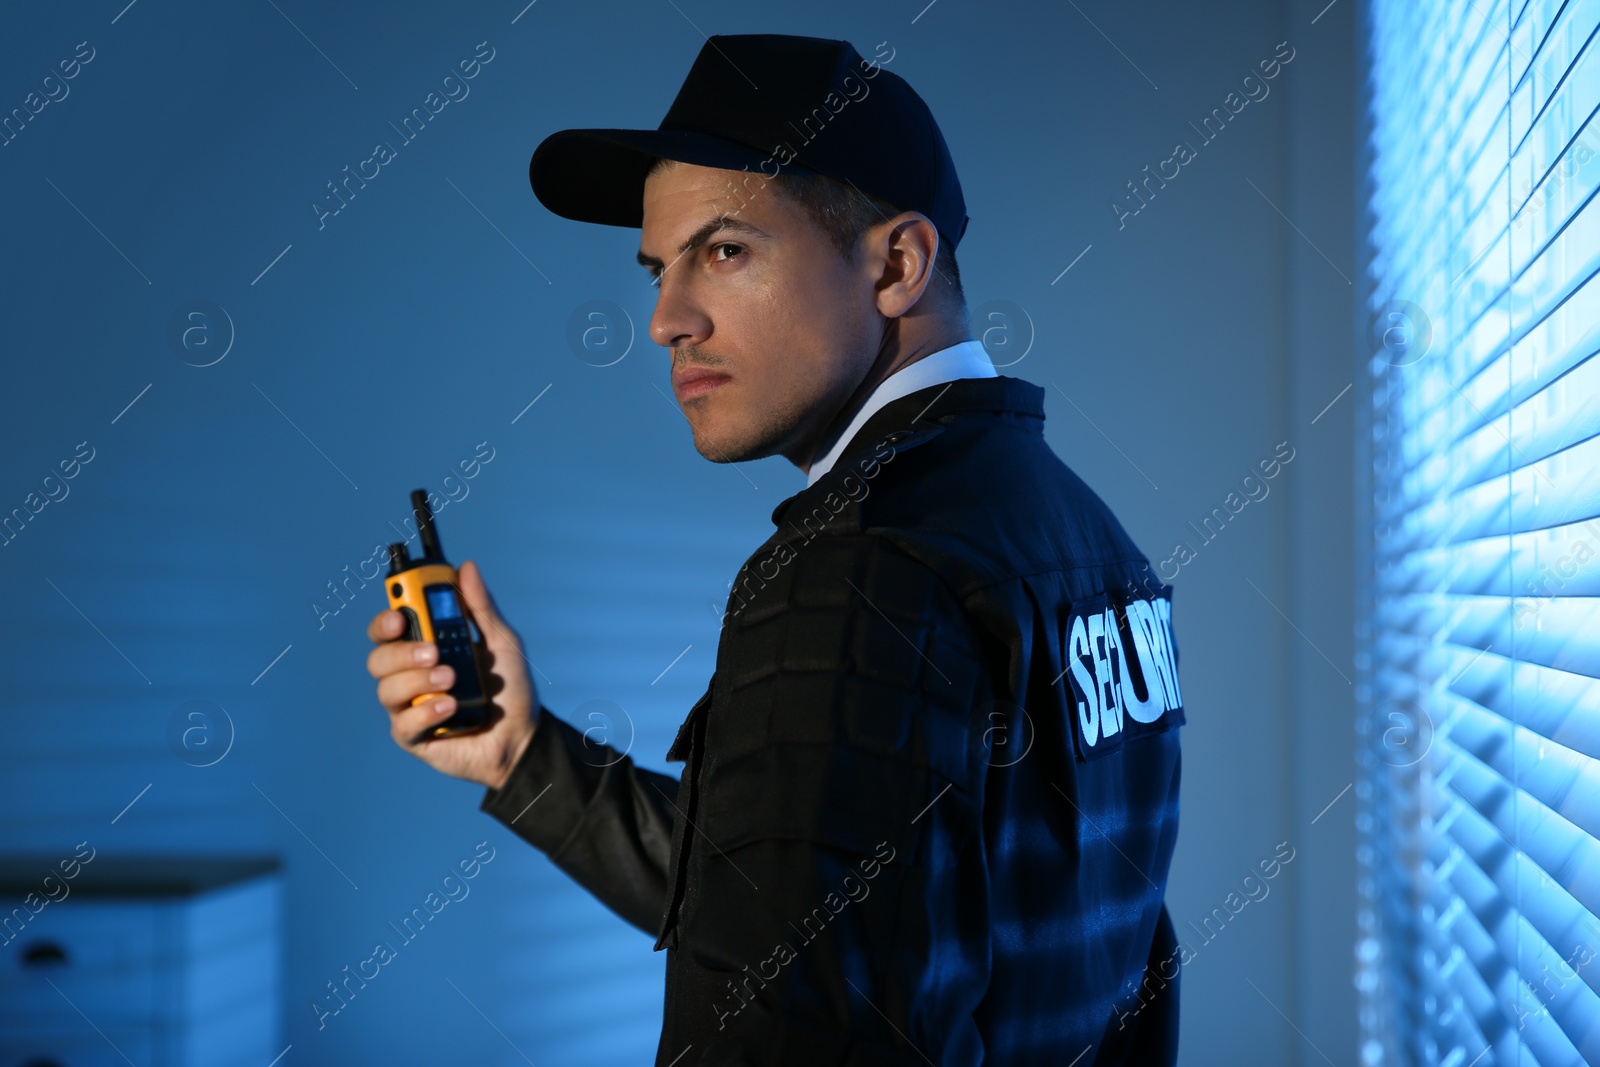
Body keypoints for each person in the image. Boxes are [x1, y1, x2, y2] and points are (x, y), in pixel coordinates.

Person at [366, 33, 1184, 1066]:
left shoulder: (862, 569)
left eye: (724, 250)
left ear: (896, 263)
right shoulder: (1090, 543)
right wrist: (524, 756)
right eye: (659, 268)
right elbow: (818, 899)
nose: (664, 319)